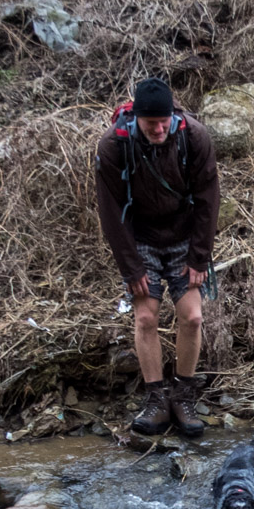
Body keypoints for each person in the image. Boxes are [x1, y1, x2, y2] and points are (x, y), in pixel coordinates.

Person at [95, 76, 221, 437]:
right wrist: (131, 266)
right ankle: (156, 399)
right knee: (147, 317)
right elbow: (111, 212)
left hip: (184, 235)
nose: (159, 129)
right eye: (151, 123)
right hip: (140, 238)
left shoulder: (194, 137)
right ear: (136, 118)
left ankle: (183, 395)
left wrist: (199, 257)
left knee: (193, 317)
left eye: (164, 121)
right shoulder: (114, 146)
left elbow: (209, 198)